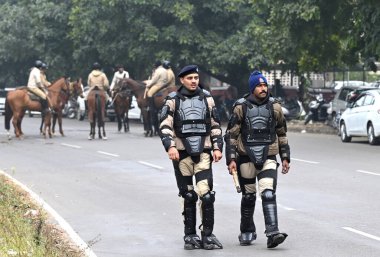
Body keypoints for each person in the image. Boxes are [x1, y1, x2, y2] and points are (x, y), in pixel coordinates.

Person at [159, 65, 223, 250]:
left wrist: (218, 147)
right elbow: (165, 125)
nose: (194, 81)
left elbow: (215, 124)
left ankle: (208, 235)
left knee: (207, 195)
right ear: (182, 80)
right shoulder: (172, 100)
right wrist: (170, 146)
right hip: (180, 155)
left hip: (204, 153)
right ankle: (190, 235)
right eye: (190, 78)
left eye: (196, 77)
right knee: (188, 195)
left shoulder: (207, 98)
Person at [224, 70, 290, 248]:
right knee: (248, 197)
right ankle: (246, 230)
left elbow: (282, 133)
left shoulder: (275, 107)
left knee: (268, 193)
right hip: (245, 158)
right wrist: (230, 159)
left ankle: (273, 232)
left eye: (265, 85)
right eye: (259, 86)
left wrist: (285, 157)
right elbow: (231, 135)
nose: (263, 88)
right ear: (252, 88)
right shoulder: (241, 107)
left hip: (269, 155)